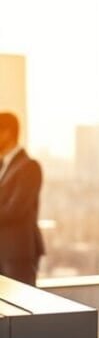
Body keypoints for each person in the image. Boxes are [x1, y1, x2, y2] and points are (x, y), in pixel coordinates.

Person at [0, 112, 44, 286]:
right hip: (4, 253)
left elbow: (15, 210)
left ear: (7, 133)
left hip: (16, 254)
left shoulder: (29, 167)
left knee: (21, 311)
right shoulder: (3, 166)